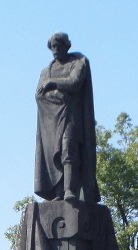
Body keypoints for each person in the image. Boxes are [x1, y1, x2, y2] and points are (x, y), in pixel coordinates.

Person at [34, 32, 100, 204]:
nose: (56, 50)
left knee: (68, 150)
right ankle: (58, 191)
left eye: (59, 46)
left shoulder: (78, 62)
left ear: (67, 46)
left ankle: (70, 189)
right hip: (51, 121)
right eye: (53, 47)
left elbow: (75, 82)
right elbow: (38, 95)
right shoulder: (45, 71)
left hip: (71, 117)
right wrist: (59, 95)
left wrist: (52, 84)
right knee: (53, 156)